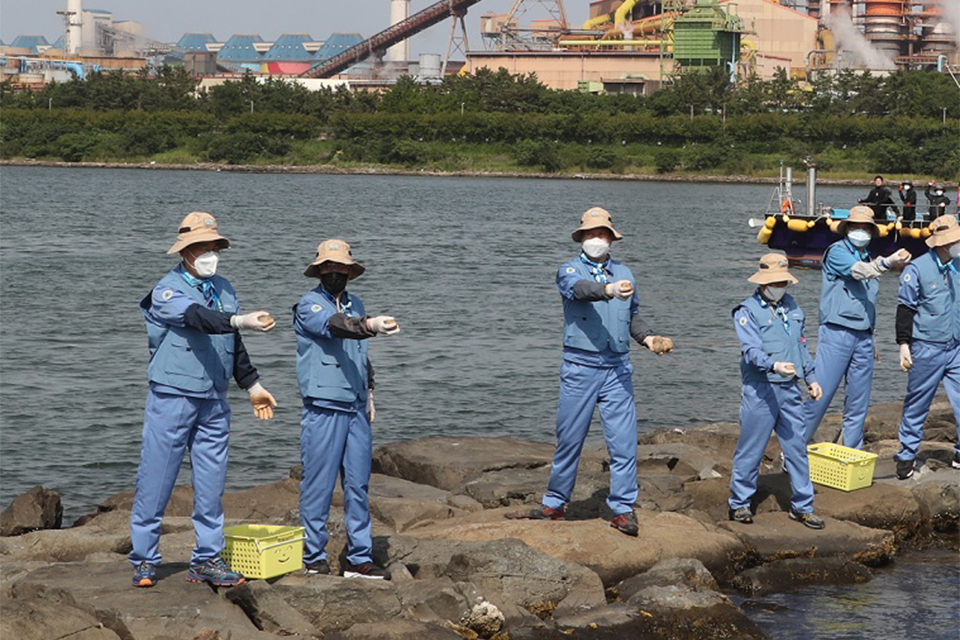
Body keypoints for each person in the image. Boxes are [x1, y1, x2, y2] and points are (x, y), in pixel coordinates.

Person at [130, 212, 278, 588]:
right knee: (157, 477)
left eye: (214, 246)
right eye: (201, 247)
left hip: (214, 397)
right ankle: (145, 558)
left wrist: (253, 385)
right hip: (174, 394)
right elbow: (199, 318)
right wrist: (240, 320)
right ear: (185, 252)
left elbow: (232, 343)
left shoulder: (225, 287)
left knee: (211, 483)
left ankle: (206, 559)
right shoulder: (166, 291)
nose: (210, 252)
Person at [507, 207, 673, 537]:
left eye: (603, 234)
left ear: (612, 239)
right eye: (591, 234)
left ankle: (623, 508)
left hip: (618, 368)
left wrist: (649, 338)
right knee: (570, 439)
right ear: (581, 238)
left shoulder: (626, 272)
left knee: (624, 442)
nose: (597, 239)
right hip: (580, 366)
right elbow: (579, 290)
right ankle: (554, 502)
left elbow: (633, 315)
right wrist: (608, 290)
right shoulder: (568, 270)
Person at [295, 239, 400, 579]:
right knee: (319, 484)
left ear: (349, 272)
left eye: (341, 268)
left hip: (355, 406)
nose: (335, 272)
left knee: (358, 483)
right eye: (329, 267)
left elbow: (360, 354)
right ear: (319, 270)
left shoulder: (357, 303)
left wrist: (370, 390)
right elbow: (334, 325)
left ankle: (359, 557)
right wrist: (368, 326)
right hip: (324, 405)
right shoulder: (308, 305)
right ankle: (313, 556)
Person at [803, 206, 911, 450]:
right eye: (856, 227)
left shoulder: (867, 256)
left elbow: (867, 301)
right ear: (847, 228)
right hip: (837, 332)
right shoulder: (837, 253)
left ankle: (852, 454)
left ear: (871, 232)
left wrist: (871, 338)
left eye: (865, 228)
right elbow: (859, 272)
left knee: (858, 404)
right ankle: (793, 452)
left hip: (863, 337)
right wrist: (888, 262)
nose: (860, 231)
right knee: (820, 395)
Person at [729, 253, 825, 529]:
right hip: (760, 390)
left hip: (790, 390)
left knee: (796, 447)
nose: (780, 285)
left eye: (783, 281)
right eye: (776, 281)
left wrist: (812, 378)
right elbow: (750, 351)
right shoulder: (746, 311)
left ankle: (803, 507)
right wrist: (773, 365)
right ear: (763, 283)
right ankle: (739, 504)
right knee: (751, 449)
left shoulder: (793, 307)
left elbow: (802, 347)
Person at [893, 215, 960, 480]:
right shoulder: (917, 269)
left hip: (956, 347)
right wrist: (903, 345)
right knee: (917, 403)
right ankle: (906, 456)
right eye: (955, 241)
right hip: (926, 347)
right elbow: (905, 309)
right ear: (943, 244)